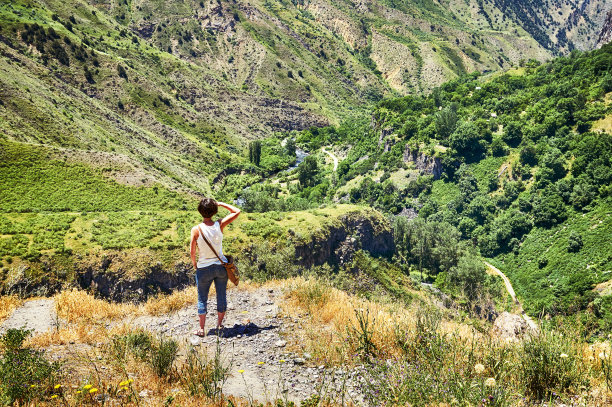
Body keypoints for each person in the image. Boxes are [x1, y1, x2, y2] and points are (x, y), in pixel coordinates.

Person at [190, 198, 241, 337]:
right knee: (221, 295)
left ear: (200, 211)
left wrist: (195, 264)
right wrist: (221, 203)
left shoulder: (196, 229)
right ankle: (219, 326)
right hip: (220, 267)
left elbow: (192, 252)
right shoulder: (219, 224)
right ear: (214, 211)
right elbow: (237, 211)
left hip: (203, 268)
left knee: (202, 298)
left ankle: (201, 329)